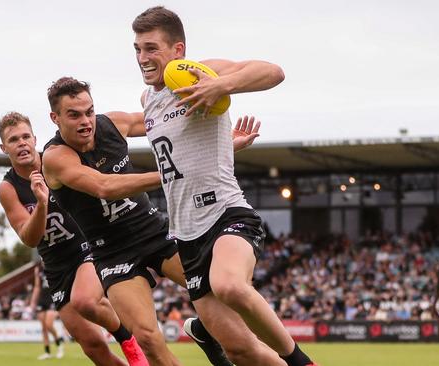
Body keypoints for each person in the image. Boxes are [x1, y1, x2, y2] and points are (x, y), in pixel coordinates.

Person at [132, 6, 315, 366]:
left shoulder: (201, 72)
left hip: (226, 213)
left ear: (177, 51)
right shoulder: (148, 99)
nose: (142, 58)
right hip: (185, 235)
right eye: (137, 49)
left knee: (230, 284)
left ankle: (302, 362)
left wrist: (222, 84)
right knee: (240, 351)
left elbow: (273, 72)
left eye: (151, 48)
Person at [42, 77, 259, 366]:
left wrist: (220, 141)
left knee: (230, 288)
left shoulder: (113, 124)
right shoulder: (55, 157)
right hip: (113, 252)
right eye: (74, 115)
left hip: (156, 232)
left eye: (89, 112)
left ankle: (205, 331)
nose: (86, 121)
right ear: (55, 118)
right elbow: (104, 186)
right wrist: (172, 172)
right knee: (147, 338)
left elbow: (165, 122)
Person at [0, 111, 148, 366]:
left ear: (34, 139)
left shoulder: (56, 161)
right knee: (93, 347)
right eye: (13, 140)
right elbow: (29, 238)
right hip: (56, 265)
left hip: (86, 247)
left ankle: (130, 344)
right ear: (4, 148)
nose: (21, 143)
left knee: (85, 300)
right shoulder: (8, 188)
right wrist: (41, 203)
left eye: (25, 137)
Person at [31, 263, 65, 360]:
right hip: (42, 300)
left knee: (49, 324)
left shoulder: (55, 263)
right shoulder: (38, 269)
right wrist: (33, 302)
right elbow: (37, 286)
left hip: (53, 297)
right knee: (44, 328)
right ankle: (47, 352)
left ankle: (59, 344)